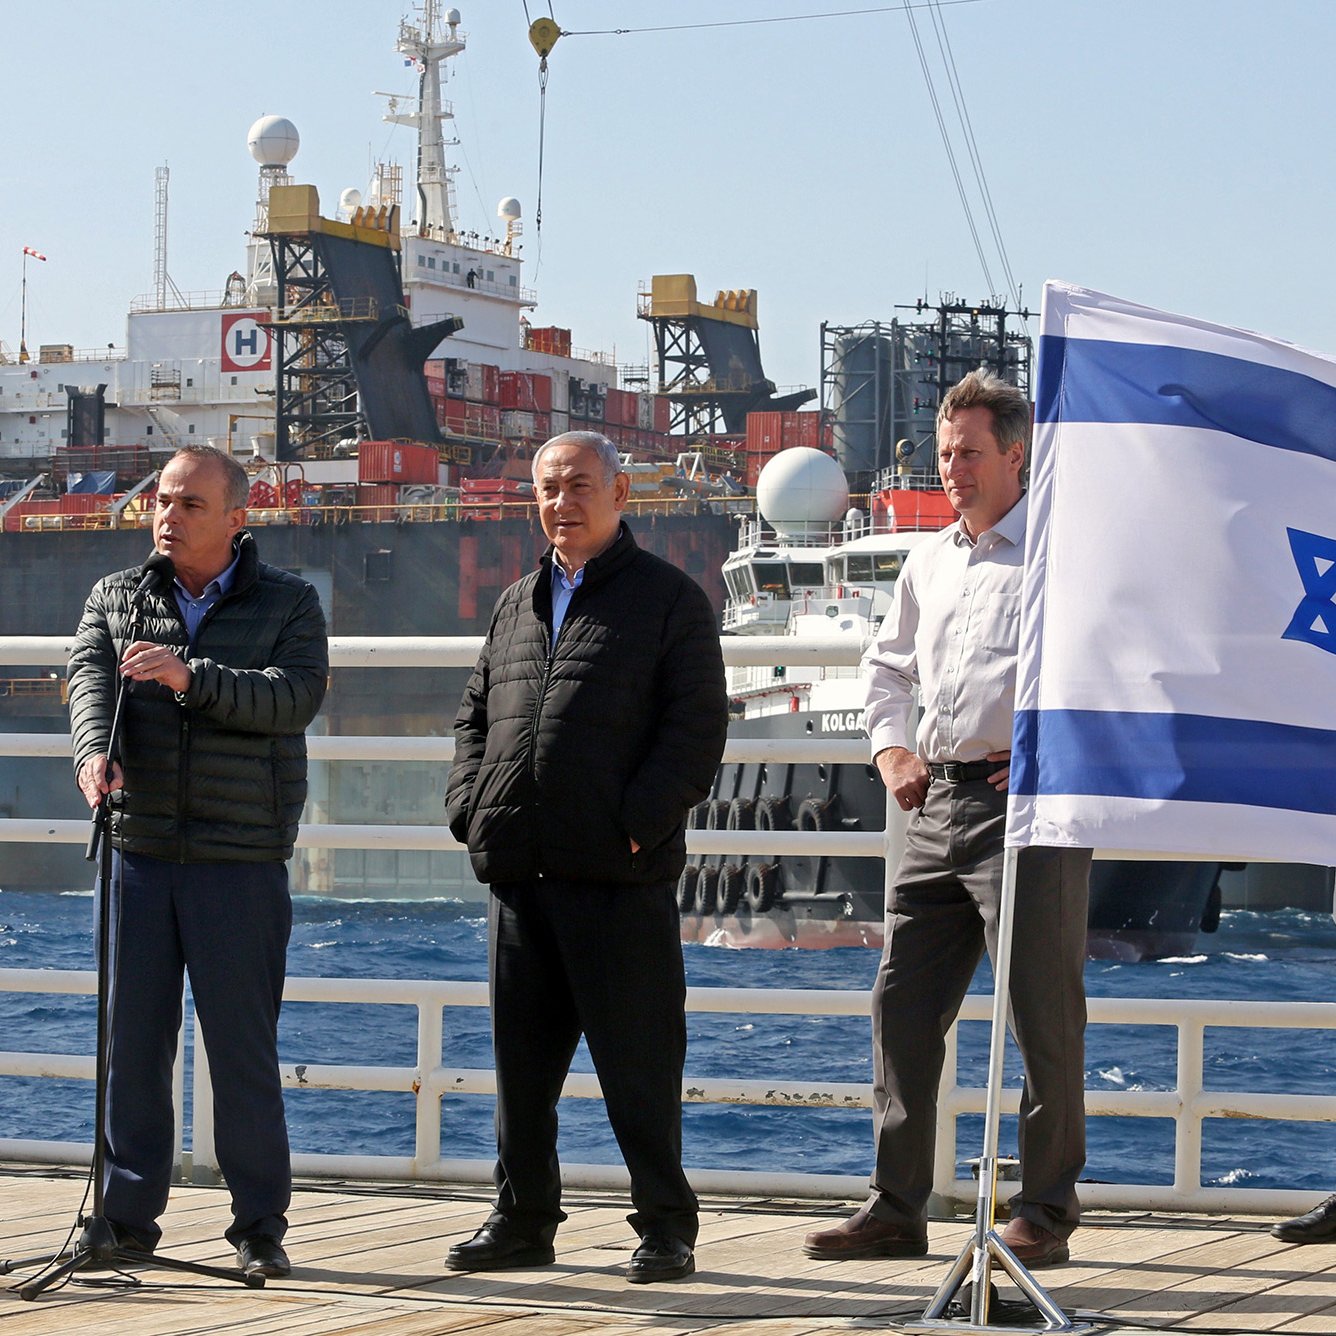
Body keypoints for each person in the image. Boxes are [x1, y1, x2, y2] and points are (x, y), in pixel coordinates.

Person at [803, 370, 1091, 1270]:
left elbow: (1106, 668)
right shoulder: (928, 559)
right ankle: (897, 1204)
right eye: (944, 453)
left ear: (1016, 454)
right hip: (936, 804)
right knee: (900, 1003)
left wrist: (1052, 751)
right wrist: (892, 751)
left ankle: (1044, 1211)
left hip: (1029, 805)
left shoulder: (1061, 552)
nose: (953, 469)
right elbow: (886, 668)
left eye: (969, 452)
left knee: (1043, 1011)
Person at [444, 430, 727, 1283]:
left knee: (638, 1065)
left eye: (578, 486)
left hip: (618, 877)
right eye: (548, 487)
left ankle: (667, 1227)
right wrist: (470, 809)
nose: (561, 502)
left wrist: (635, 824)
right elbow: (474, 714)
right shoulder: (516, 601)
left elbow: (695, 729)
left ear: (620, 494)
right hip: (521, 873)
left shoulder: (670, 600)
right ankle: (522, 1220)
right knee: (521, 1074)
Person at [67, 444, 328, 1279]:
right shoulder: (117, 595)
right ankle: (123, 1219)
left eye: (188, 505)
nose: (167, 518)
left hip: (238, 857)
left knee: (241, 1048)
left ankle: (259, 1226)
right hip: (137, 851)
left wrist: (191, 677)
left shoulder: (289, 601)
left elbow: (294, 698)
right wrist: (88, 755)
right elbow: (88, 676)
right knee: (132, 1045)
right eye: (161, 503)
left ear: (236, 518)